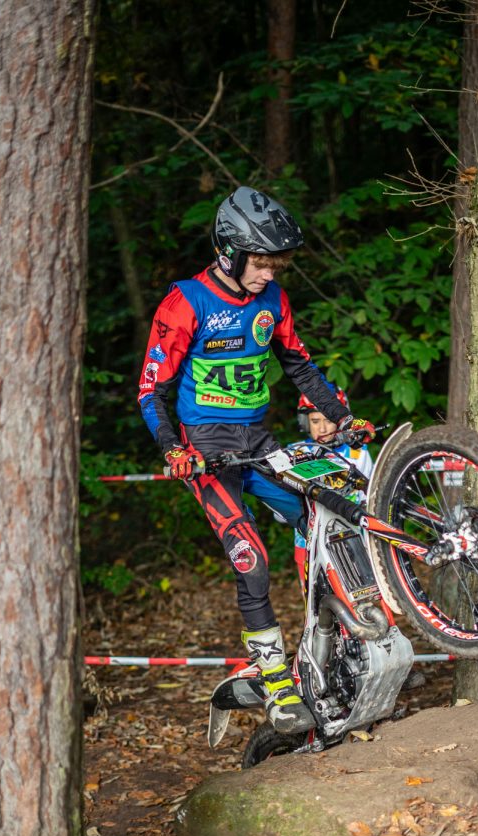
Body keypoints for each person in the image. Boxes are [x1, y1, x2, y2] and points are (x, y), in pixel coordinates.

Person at [136, 186, 375, 736]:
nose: (269, 274)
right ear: (229, 252)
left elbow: (300, 366)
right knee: (251, 559)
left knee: (326, 515)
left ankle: (337, 642)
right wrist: (173, 448)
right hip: (205, 448)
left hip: (258, 440)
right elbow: (152, 390)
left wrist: (341, 417)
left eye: (275, 265)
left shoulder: (273, 301)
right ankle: (275, 682)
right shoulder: (186, 302)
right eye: (261, 263)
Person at [290, 394, 374, 593]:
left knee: (360, 595)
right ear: (305, 422)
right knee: (314, 598)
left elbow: (369, 501)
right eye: (315, 421)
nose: (322, 428)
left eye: (328, 420)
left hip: (353, 538)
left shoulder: (358, 454)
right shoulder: (294, 453)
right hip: (307, 542)